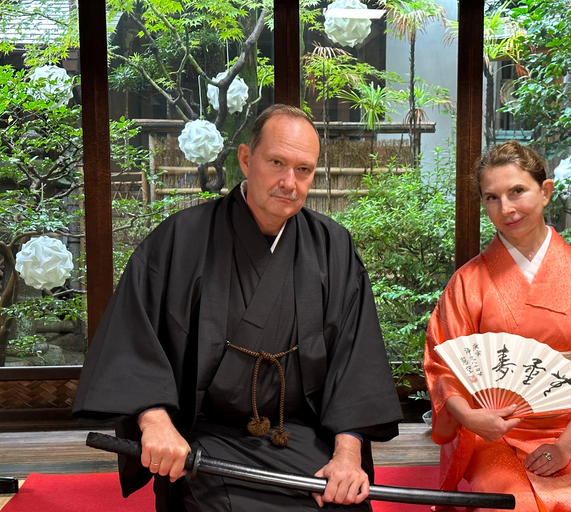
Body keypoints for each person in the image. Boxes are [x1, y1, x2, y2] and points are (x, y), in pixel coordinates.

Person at [73, 104, 403, 511]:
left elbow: (356, 363)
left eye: (304, 169)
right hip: (206, 438)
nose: (289, 181)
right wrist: (156, 423)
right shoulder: (183, 238)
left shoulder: (333, 248)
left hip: (300, 434)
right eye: (277, 162)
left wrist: (347, 457)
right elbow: (133, 339)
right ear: (246, 159)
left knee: (342, 503)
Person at [423, 141, 571, 512]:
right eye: (492, 198)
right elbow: (441, 364)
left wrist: (565, 446)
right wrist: (469, 417)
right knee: (513, 505)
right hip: (492, 432)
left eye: (517, 191)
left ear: (545, 191)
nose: (507, 209)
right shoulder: (469, 282)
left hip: (570, 428)